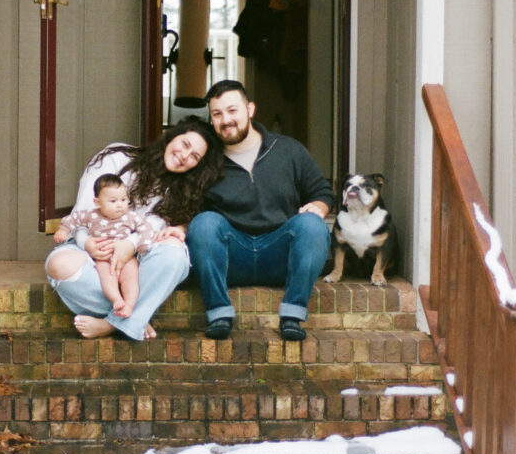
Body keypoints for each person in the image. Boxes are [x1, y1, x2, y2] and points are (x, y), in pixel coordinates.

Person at [45, 119, 223, 341]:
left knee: (175, 255)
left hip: (137, 263)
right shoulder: (116, 158)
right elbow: (83, 215)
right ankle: (136, 316)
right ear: (171, 136)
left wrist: (129, 246)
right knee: (59, 265)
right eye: (185, 144)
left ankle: (113, 323)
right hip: (91, 249)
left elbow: (152, 235)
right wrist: (88, 244)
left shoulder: (179, 195)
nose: (185, 156)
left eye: (195, 156)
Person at [186, 79, 334, 342]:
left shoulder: (287, 150)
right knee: (204, 223)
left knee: (312, 224)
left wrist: (319, 208)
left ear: (250, 109)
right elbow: (188, 209)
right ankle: (219, 313)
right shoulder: (206, 160)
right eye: (217, 114)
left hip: (280, 254)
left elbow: (323, 193)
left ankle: (292, 315)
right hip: (232, 256)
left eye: (232, 110)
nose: (226, 120)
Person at [54, 174, 158, 318]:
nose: (120, 205)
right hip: (103, 257)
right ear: (98, 202)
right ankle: (116, 299)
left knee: (131, 278)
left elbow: (145, 227)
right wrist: (63, 230)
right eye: (113, 201)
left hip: (126, 257)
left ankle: (129, 305)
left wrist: (143, 245)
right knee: (107, 278)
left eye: (123, 199)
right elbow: (73, 219)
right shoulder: (91, 215)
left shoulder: (130, 217)